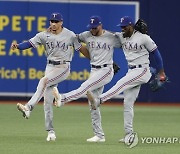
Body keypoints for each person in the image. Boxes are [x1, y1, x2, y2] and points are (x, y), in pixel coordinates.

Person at [86, 16, 166, 148]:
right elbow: (107, 34)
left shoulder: (143, 37)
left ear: (131, 26)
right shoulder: (122, 37)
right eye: (121, 27)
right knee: (127, 103)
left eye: (124, 26)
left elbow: (156, 53)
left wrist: (161, 71)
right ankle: (129, 135)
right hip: (132, 71)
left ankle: (99, 100)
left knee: (121, 83)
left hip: (142, 71)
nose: (122, 29)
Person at [11, 12, 89, 141]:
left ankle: (28, 107)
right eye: (51, 21)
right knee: (47, 102)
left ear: (61, 22)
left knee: (44, 81)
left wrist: (94, 59)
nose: (53, 23)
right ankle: (51, 132)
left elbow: (80, 48)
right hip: (50, 67)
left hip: (63, 67)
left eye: (56, 21)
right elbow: (30, 43)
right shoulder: (44, 35)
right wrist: (18, 46)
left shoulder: (69, 35)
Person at [52, 15, 121, 142]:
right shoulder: (86, 35)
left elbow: (126, 43)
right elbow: (73, 37)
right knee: (93, 103)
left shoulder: (111, 37)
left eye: (95, 28)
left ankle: (63, 99)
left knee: (85, 87)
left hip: (106, 70)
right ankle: (99, 135)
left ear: (100, 25)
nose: (93, 30)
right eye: (91, 28)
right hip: (94, 70)